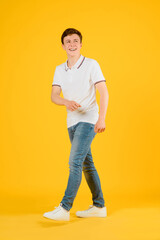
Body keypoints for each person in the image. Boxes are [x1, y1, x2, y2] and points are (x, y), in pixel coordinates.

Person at [43, 28, 109, 221]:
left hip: (88, 119)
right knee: (87, 164)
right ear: (63, 46)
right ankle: (99, 206)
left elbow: (103, 91)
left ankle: (64, 208)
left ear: (81, 44)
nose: (72, 44)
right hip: (71, 121)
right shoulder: (59, 69)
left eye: (75, 41)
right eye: (68, 41)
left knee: (75, 162)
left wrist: (101, 118)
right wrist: (66, 102)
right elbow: (54, 95)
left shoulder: (91, 64)